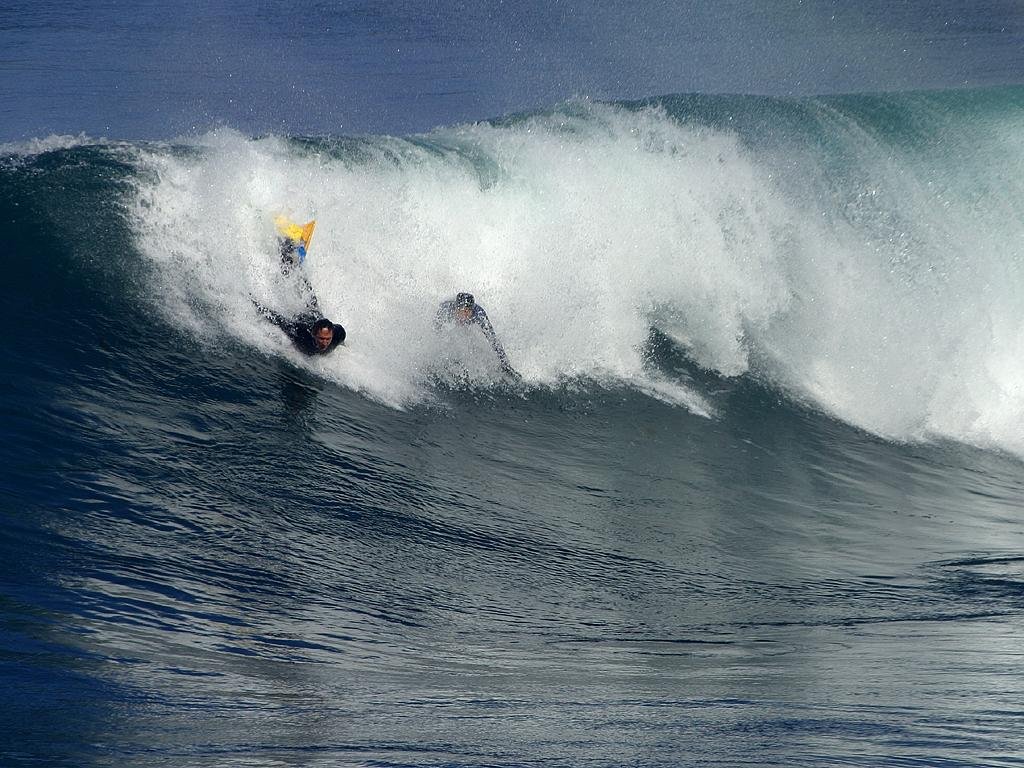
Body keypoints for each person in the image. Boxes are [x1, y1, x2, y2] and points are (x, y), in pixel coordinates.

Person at [252, 233, 345, 356]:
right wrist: (256, 304)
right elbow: (278, 320)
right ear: (314, 335)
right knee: (299, 284)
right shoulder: (301, 335)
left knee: (309, 294)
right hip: (305, 318)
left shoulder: (338, 335)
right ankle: (286, 248)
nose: (325, 342)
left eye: (328, 339)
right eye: (321, 338)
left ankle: (297, 264)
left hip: (315, 313)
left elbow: (340, 336)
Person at [435, 292, 519, 378]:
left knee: (472, 342)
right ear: (456, 309)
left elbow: (493, 340)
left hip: (471, 325)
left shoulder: (479, 314)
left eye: (468, 311)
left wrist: (505, 364)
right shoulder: (446, 310)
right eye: (463, 311)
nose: (465, 315)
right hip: (448, 317)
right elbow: (436, 331)